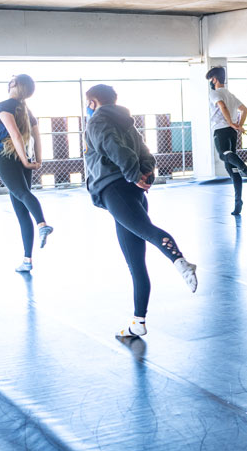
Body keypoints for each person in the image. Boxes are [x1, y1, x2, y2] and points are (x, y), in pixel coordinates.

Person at [83, 84, 197, 339]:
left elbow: (113, 147)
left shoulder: (97, 121)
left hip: (114, 190)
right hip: (131, 190)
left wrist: (134, 174)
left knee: (147, 234)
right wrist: (146, 175)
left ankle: (180, 261)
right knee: (136, 262)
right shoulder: (127, 123)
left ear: (92, 102)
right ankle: (138, 321)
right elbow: (145, 153)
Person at [0, 74, 53, 273]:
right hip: (24, 156)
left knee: (23, 195)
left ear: (14, 84)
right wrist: (37, 159)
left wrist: (25, 159)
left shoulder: (4, 105)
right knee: (21, 206)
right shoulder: (26, 110)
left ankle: (42, 224)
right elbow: (36, 136)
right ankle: (27, 260)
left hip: (7, 156)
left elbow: (14, 134)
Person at [206, 66, 247, 215]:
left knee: (223, 155)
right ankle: (238, 202)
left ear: (214, 79)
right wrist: (238, 125)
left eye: (211, 79)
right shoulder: (230, 94)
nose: (211, 82)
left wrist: (230, 122)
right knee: (231, 168)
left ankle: (246, 168)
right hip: (232, 132)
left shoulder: (214, 93)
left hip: (221, 130)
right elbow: (245, 109)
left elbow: (221, 106)